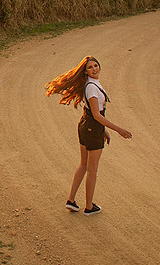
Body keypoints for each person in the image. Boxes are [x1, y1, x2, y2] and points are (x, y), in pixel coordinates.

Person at [44, 55, 132, 215]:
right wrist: (118, 129)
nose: (94, 69)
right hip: (92, 128)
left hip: (86, 126)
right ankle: (89, 207)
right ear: (85, 72)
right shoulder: (92, 87)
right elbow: (97, 115)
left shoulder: (91, 84)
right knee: (91, 170)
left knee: (83, 165)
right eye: (90, 67)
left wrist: (103, 130)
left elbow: (92, 113)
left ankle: (71, 201)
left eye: (95, 65)